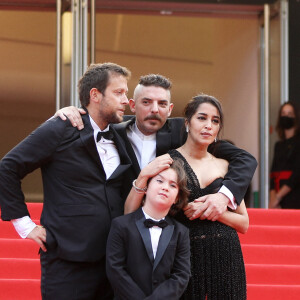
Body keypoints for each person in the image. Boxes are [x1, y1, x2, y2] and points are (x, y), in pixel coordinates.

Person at [0, 63, 132, 299]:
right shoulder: (60, 128)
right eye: (119, 92)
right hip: (68, 261)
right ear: (95, 94)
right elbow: (8, 168)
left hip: (112, 262)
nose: (126, 100)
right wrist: (24, 225)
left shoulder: (120, 133)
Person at [56, 74, 257, 220]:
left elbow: (246, 160)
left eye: (162, 104)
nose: (154, 109)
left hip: (168, 227)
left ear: (170, 109)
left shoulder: (185, 130)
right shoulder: (112, 129)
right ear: (132, 105)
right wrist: (70, 111)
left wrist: (224, 196)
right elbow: (90, 119)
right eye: (146, 102)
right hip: (117, 221)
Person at [125, 94, 250, 300]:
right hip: (184, 257)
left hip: (227, 256)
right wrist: (143, 177)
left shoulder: (226, 166)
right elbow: (131, 213)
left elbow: (243, 223)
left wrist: (213, 211)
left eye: (215, 120)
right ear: (187, 123)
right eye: (202, 118)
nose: (208, 125)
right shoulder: (169, 162)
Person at [106, 158, 191, 300]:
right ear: (146, 187)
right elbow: (115, 270)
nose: (165, 187)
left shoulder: (181, 232)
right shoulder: (121, 225)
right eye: (159, 181)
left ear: (177, 198)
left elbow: (181, 275)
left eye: (173, 185)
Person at [269, 101, 300, 208]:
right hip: (278, 199)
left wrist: (278, 197)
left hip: (294, 196)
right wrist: (273, 198)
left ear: (295, 118)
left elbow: (297, 175)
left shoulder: (298, 142)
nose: (286, 116)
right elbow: (273, 173)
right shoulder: (278, 145)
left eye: (289, 114)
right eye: (283, 113)